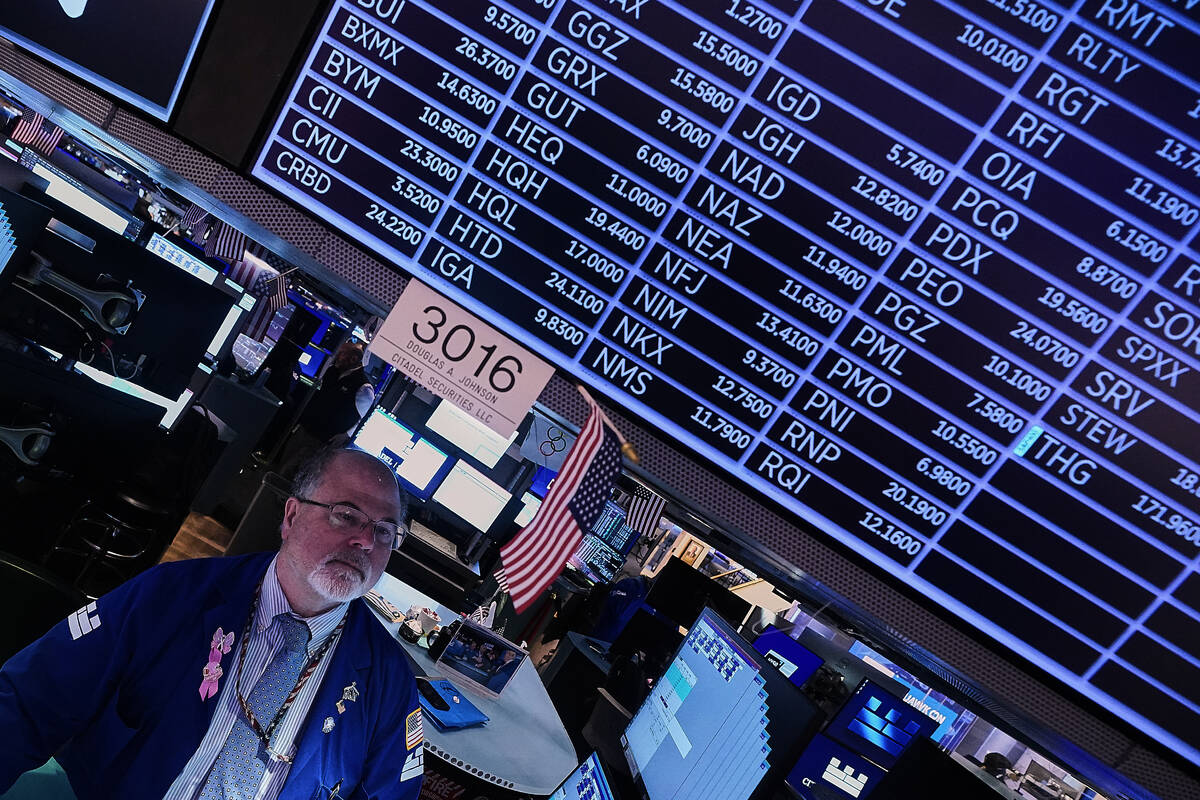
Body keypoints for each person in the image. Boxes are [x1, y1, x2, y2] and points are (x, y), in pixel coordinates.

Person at [0, 447, 424, 800]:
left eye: (385, 531)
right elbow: (31, 699)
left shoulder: (388, 681)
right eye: (345, 515)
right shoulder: (172, 595)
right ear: (291, 516)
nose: (366, 541)